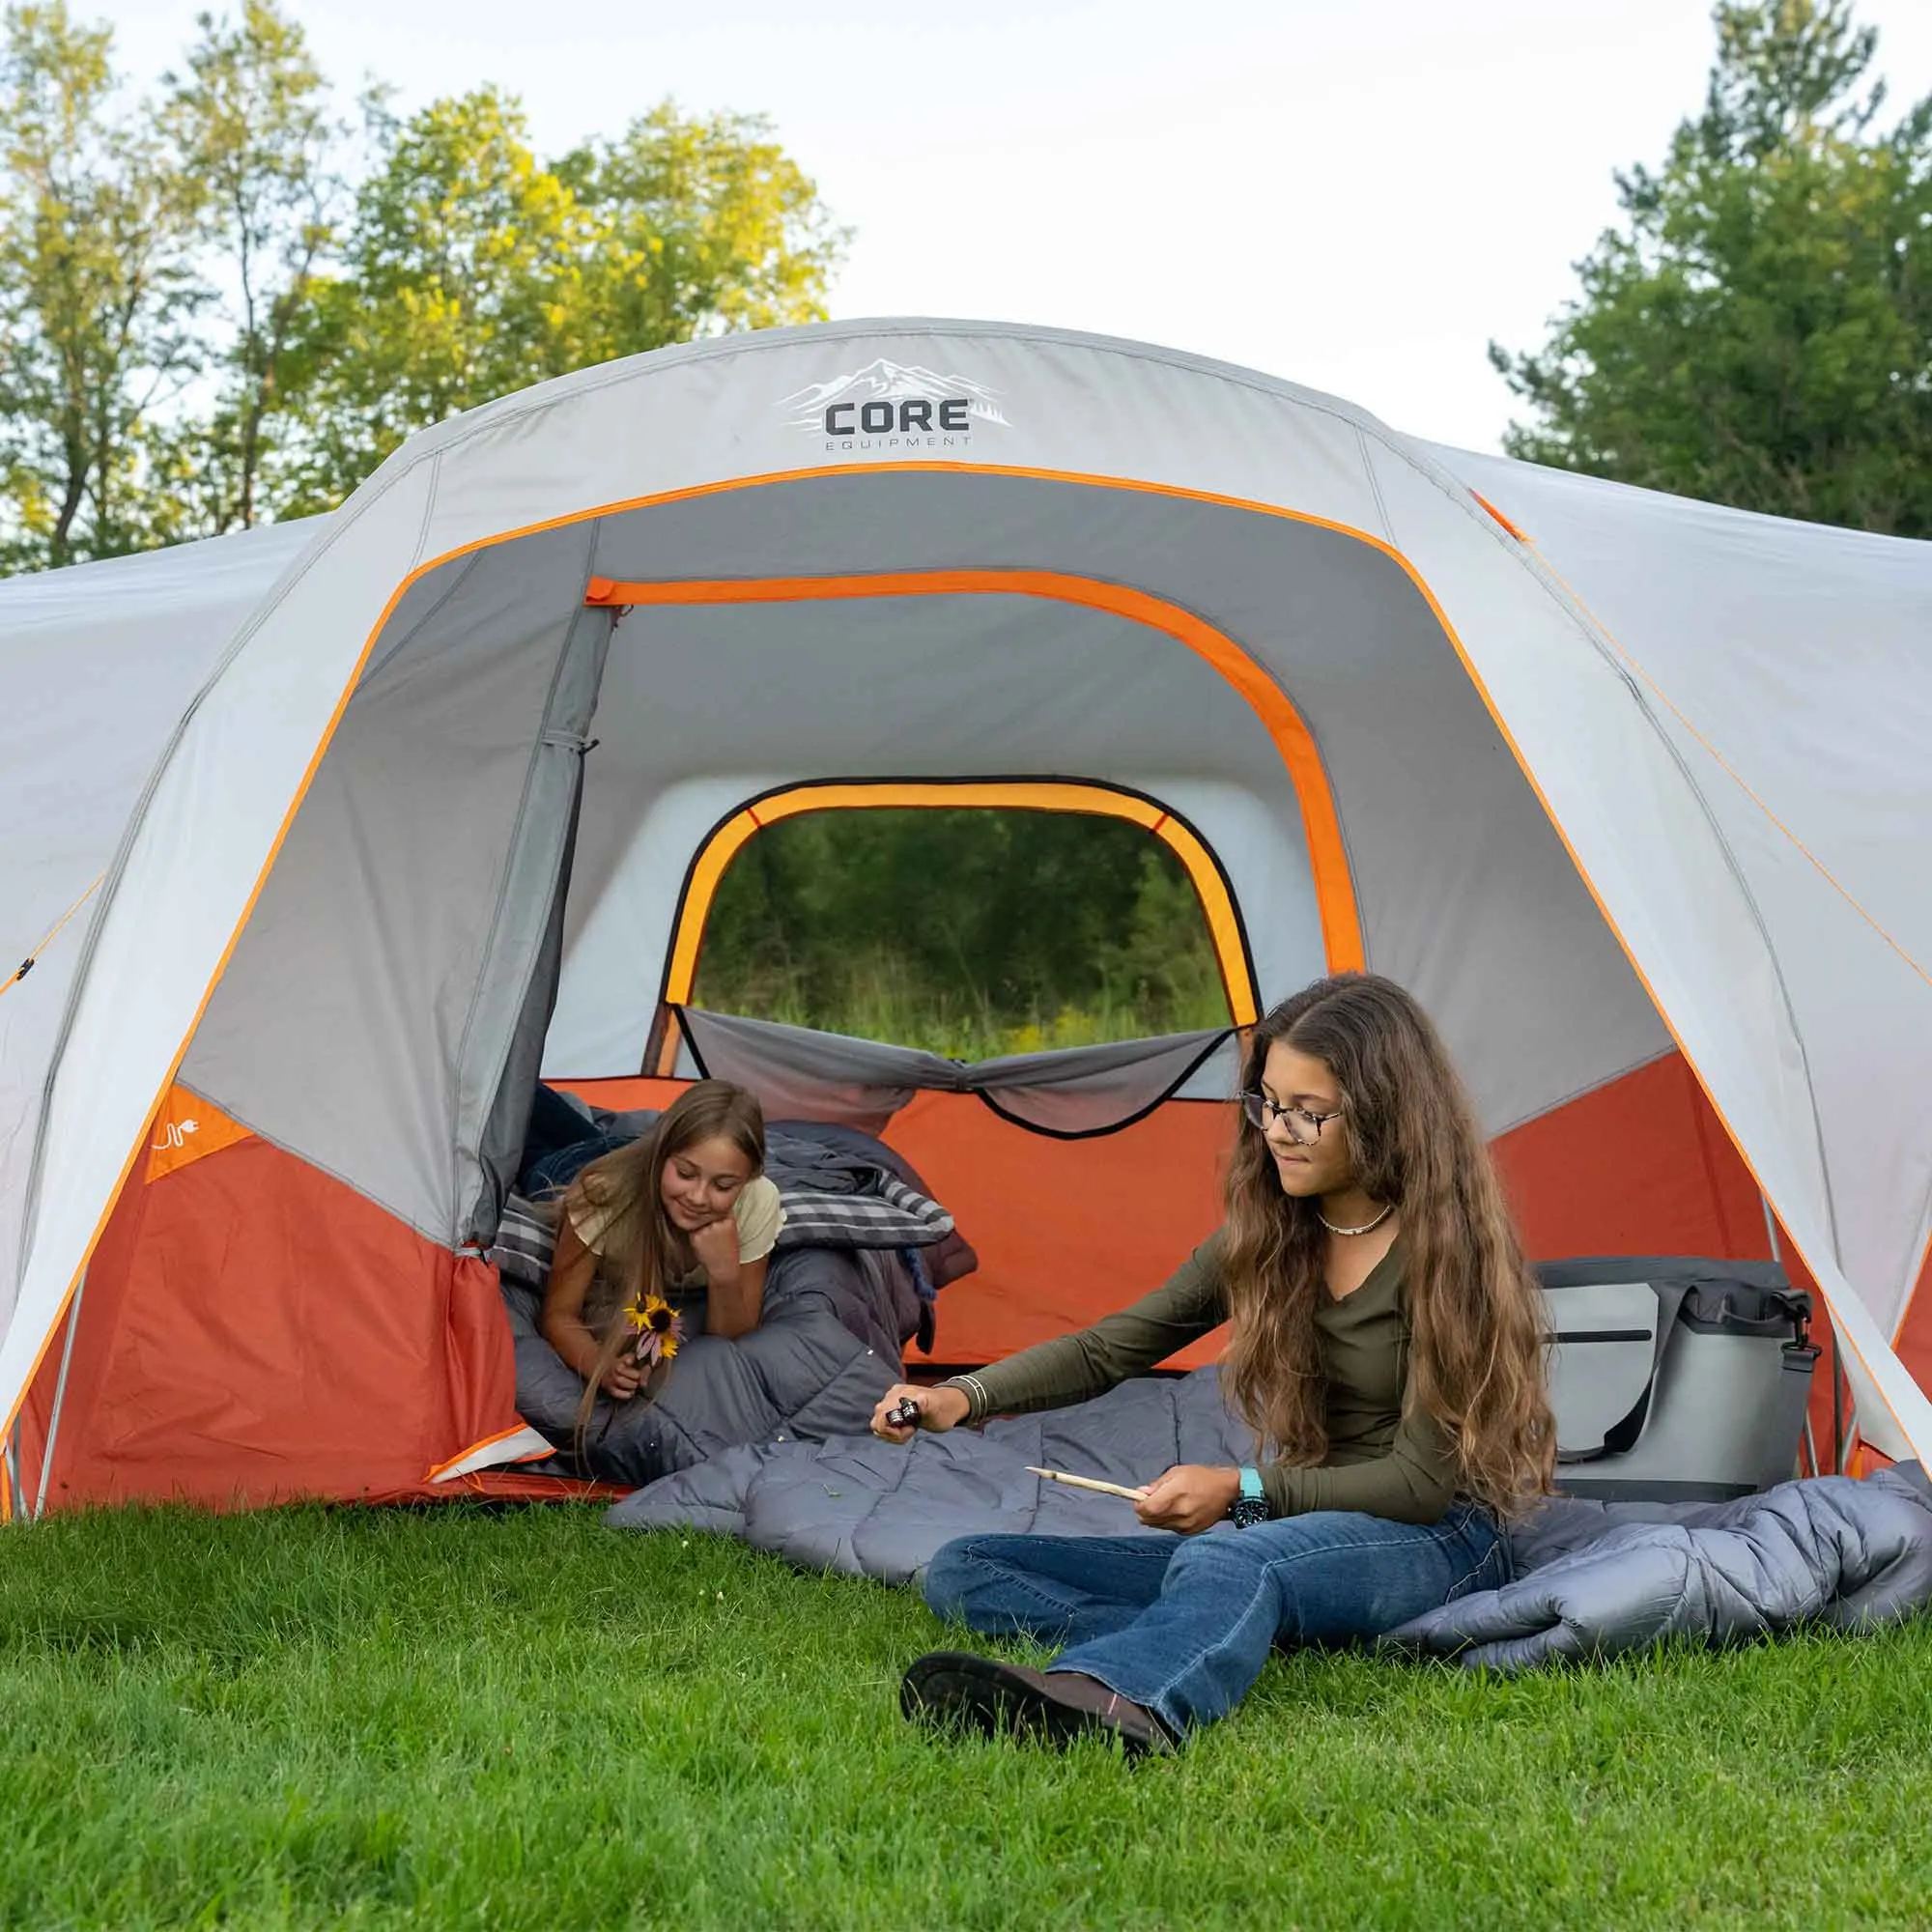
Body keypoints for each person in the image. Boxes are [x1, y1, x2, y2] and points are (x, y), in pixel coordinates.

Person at [870, 972, 1554, 1754]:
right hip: (1295, 1526)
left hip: (1438, 1539)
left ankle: (1118, 1699)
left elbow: (1418, 1486)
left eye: (1311, 1113)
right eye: (1267, 1102)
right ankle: (1228, 1623)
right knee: (971, 1566)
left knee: (1230, 1554)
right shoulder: (1269, 1234)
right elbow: (1109, 1348)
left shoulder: (1447, 1256)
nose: (1279, 1130)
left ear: (1387, 1115)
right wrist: (962, 1395)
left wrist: (1240, 1491)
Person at [541, 1081, 784, 1432]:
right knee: (523, 1131)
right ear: (663, 1155)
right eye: (686, 1174)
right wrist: (599, 1364)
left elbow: (731, 1343)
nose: (699, 1197)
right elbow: (558, 1315)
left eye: (723, 1185)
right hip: (567, 1169)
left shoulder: (757, 1201)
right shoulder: (602, 1195)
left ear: (747, 1180)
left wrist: (725, 1275)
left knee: (575, 1132)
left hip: (633, 1157)